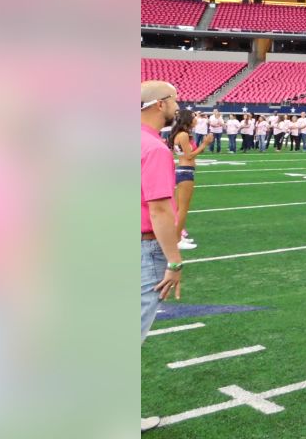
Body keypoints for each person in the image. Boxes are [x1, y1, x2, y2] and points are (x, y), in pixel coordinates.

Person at [141, 81, 186, 433]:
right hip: (143, 247)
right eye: (173, 100)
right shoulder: (154, 149)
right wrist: (174, 261)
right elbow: (158, 210)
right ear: (159, 104)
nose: (177, 105)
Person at [168, 109, 213, 251]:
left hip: (183, 171)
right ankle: (176, 240)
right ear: (187, 119)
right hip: (185, 172)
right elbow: (188, 156)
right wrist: (204, 144)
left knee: (180, 208)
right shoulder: (183, 135)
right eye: (194, 116)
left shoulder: (182, 134)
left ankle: (178, 237)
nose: (196, 119)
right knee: (183, 209)